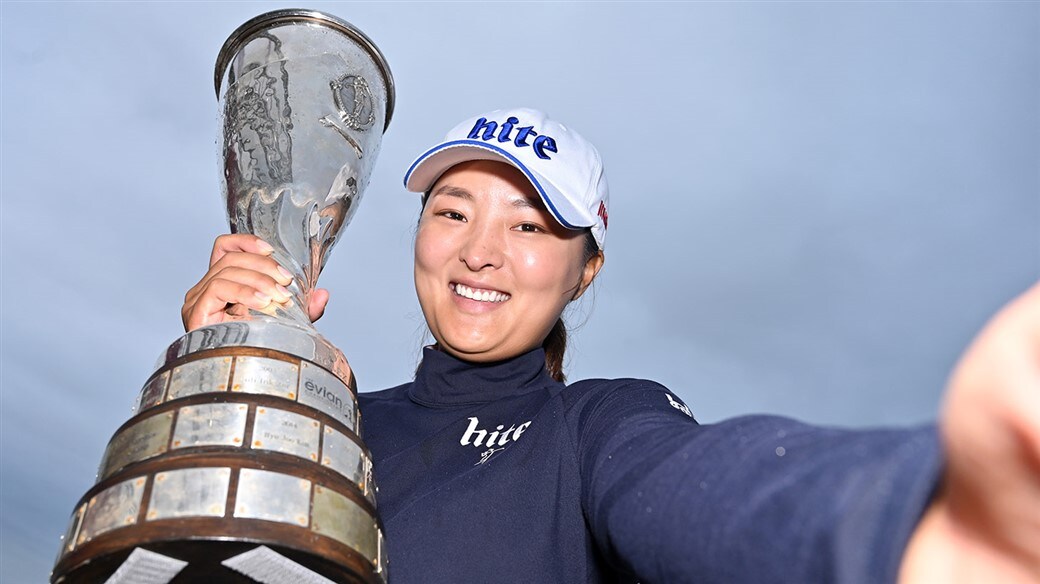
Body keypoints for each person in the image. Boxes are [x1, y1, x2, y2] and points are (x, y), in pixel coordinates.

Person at [182, 107, 1040, 583]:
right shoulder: (339, 425)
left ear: (584, 273)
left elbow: (704, 486)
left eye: (529, 225)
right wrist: (233, 391)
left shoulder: (599, 425)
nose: (479, 251)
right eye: (453, 212)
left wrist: (923, 523)